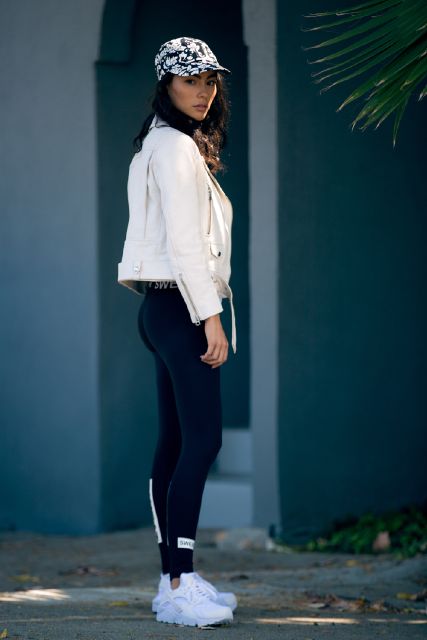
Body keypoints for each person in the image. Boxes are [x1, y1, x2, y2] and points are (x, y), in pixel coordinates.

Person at [117, 36, 237, 627]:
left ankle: (174, 582)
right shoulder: (173, 147)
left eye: (209, 80)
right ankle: (180, 583)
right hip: (182, 308)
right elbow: (188, 244)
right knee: (203, 440)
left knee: (175, 444)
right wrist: (209, 315)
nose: (202, 91)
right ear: (166, 84)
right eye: (189, 80)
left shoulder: (161, 143)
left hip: (162, 309)